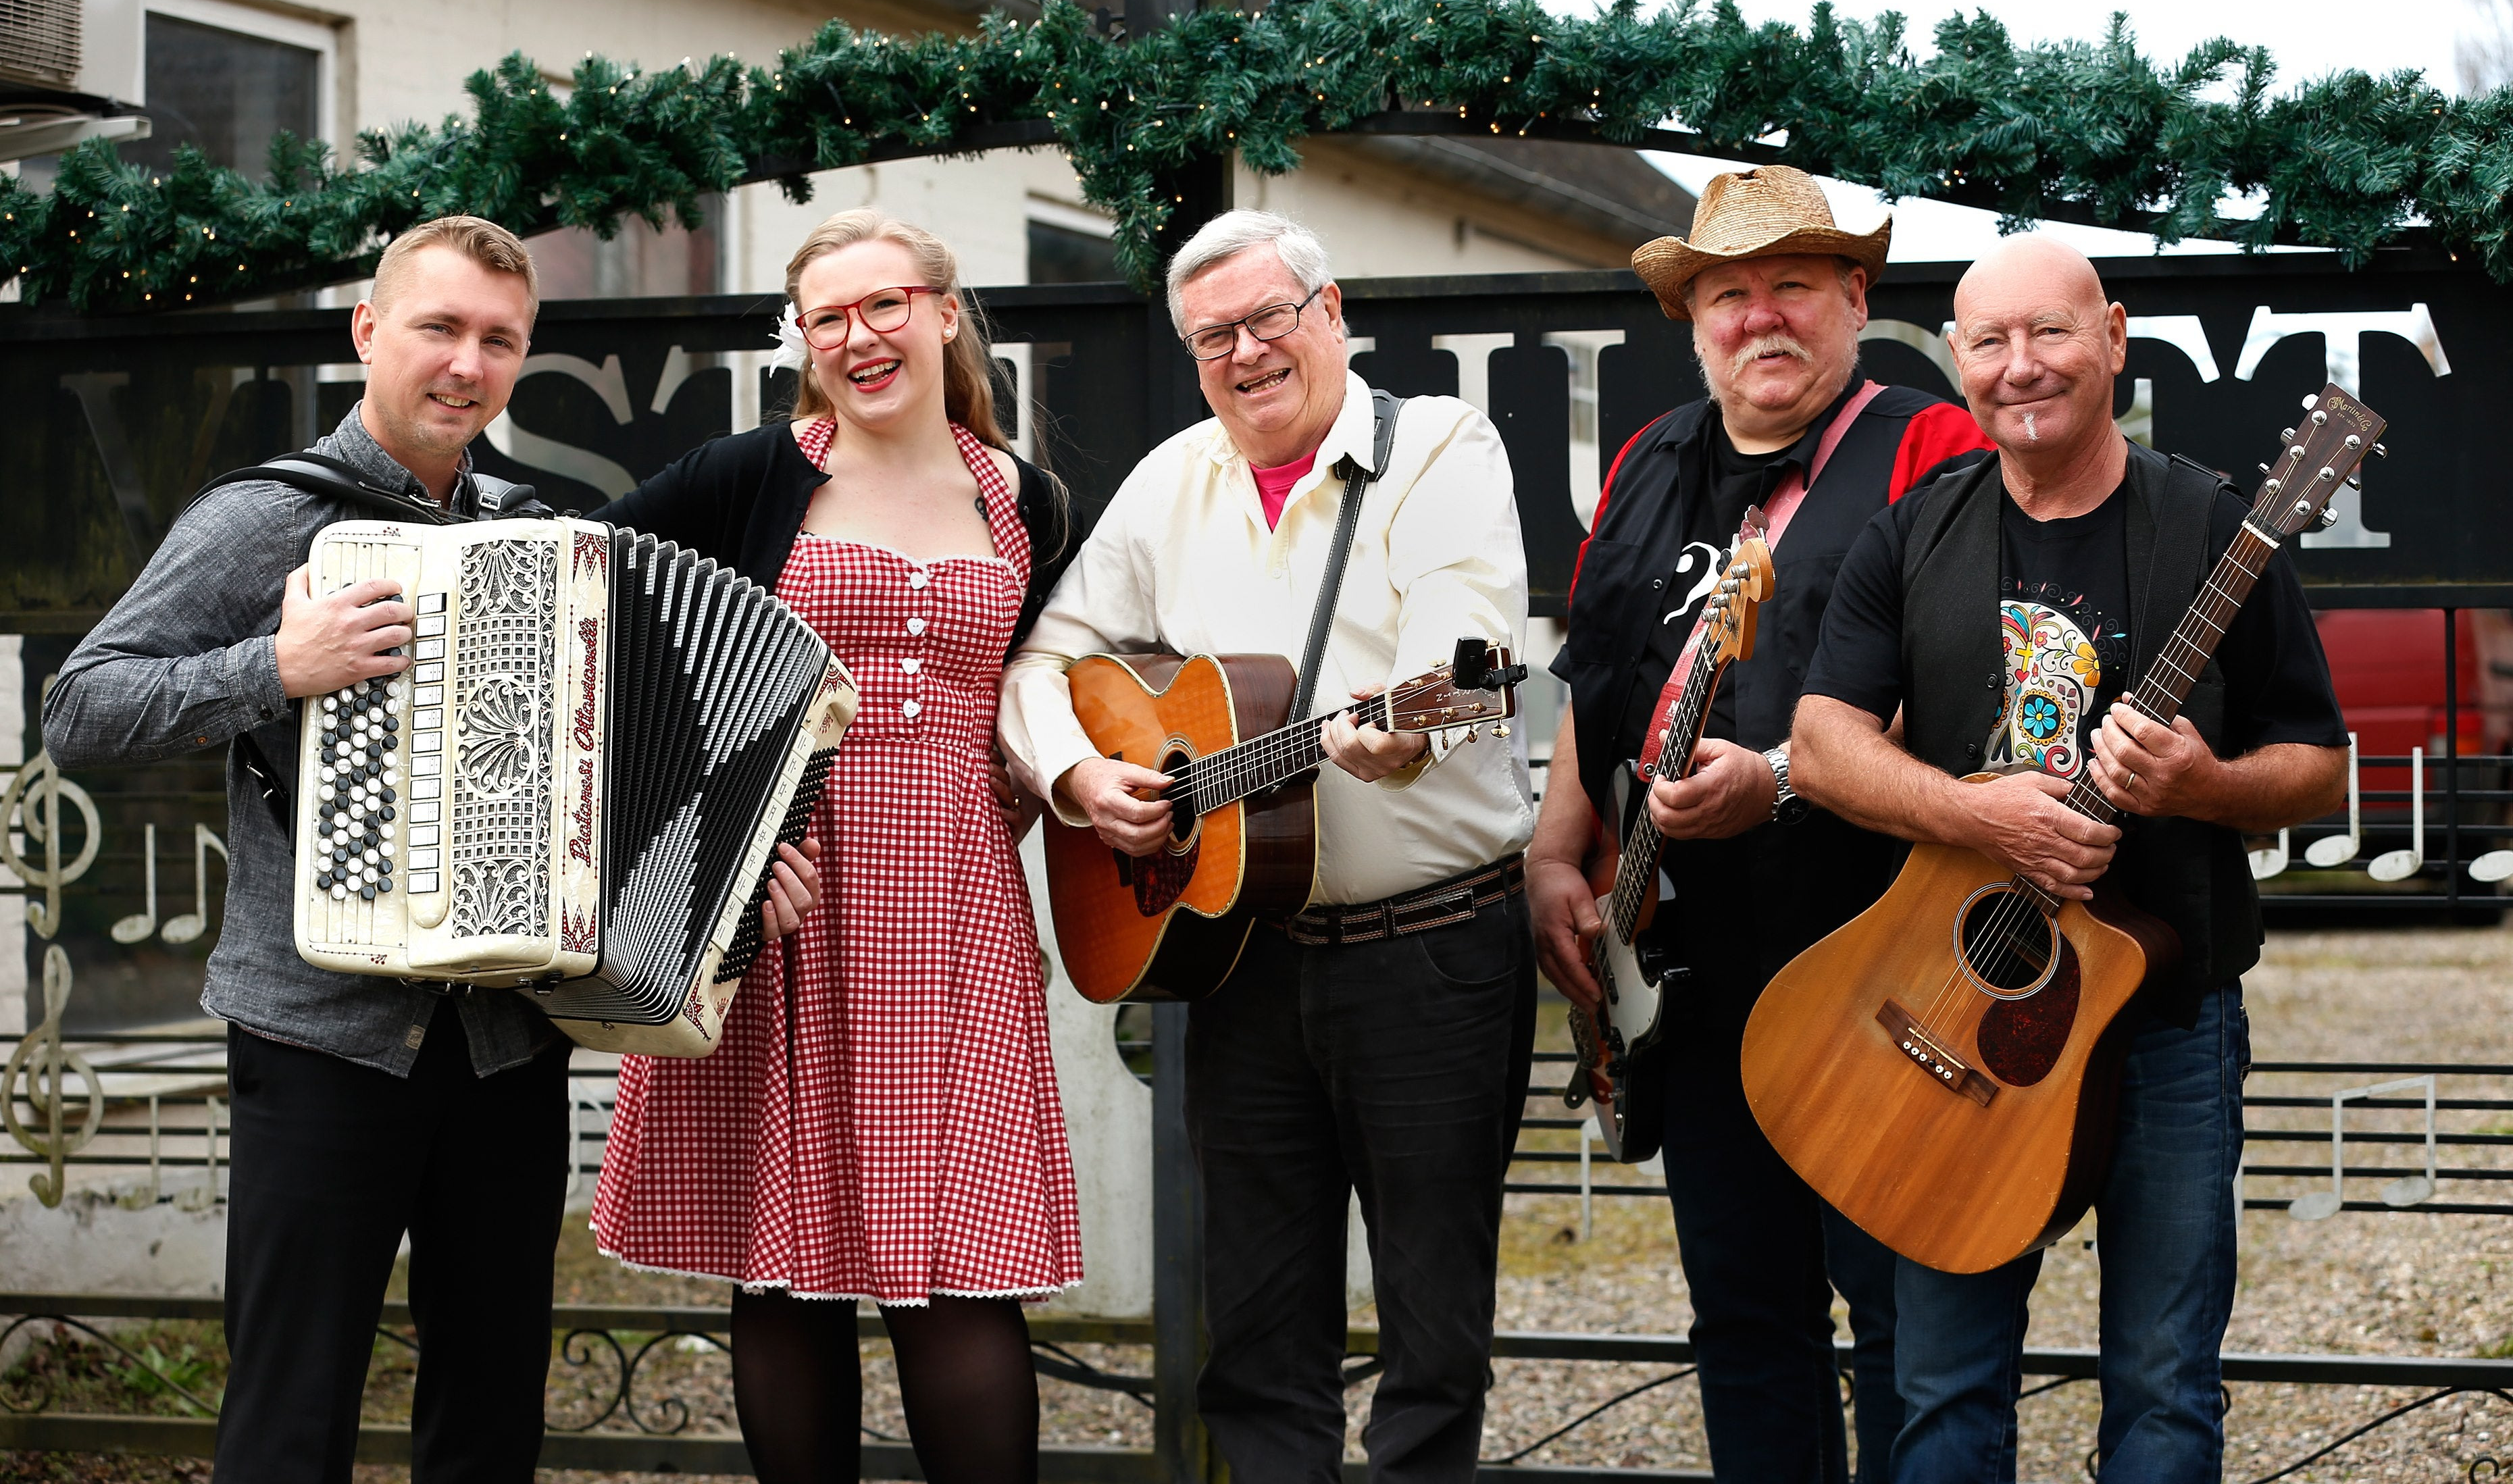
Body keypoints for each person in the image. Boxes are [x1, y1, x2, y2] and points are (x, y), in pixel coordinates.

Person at [39, 215, 820, 1484]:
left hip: (507, 1040)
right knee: (292, 1407)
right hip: (321, 1033)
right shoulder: (268, 518)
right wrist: (276, 666)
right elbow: (80, 708)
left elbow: (623, 770)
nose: (467, 363)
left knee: (491, 1407)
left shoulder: (540, 532)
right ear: (368, 331)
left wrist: (735, 879)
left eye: (499, 340)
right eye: (439, 328)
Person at [1792, 235, 2348, 1478]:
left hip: (2165, 1024)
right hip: (1956, 1008)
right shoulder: (1915, 531)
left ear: (2115, 338)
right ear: (1958, 362)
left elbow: (2320, 766)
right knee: (1941, 1388)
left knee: (2163, 1387)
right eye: (1989, 342)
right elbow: (1822, 745)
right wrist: (1977, 815)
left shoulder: (2216, 528)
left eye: (2050, 332)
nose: (2021, 366)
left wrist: (2205, 785)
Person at [998, 209, 1535, 1483]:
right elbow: (1042, 662)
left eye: (1267, 319)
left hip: (1430, 955)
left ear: (1330, 313)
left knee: (1433, 1330)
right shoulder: (1172, 479)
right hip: (1240, 959)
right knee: (1254, 1331)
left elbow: (1470, 661)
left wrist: (1408, 732)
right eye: (1213, 338)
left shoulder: (1440, 447)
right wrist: (1083, 778)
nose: (1245, 353)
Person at [588, 208, 1082, 1484]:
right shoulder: (749, 476)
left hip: (958, 917)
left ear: (944, 312)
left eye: (885, 305)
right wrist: (709, 842)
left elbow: (1051, 694)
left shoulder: (1028, 501)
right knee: (786, 1268)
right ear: (803, 341)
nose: (859, 336)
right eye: (827, 318)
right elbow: (590, 618)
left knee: (964, 1267)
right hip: (783, 907)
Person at [1524, 165, 1990, 1483]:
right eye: (1730, 293)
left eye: (1794, 283)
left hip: (1873, 962)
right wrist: (1553, 854)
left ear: (1856, 300)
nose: (1761, 315)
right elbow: (1599, 677)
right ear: (1694, 319)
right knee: (1743, 1316)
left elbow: (1969, 702)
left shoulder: (1933, 449)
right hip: (1689, 972)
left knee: (1902, 1322)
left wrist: (1783, 774)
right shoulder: (1646, 460)